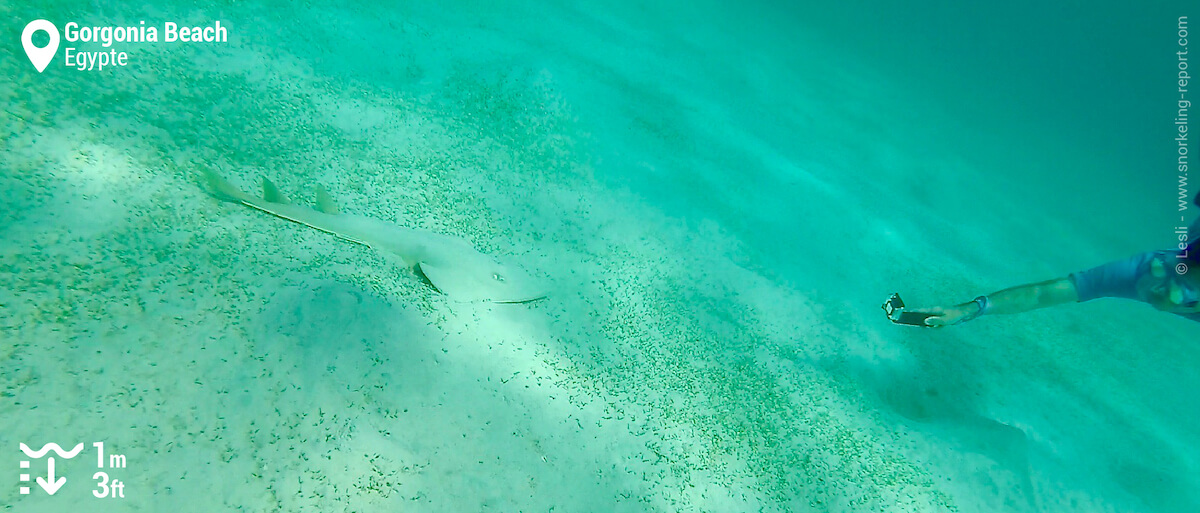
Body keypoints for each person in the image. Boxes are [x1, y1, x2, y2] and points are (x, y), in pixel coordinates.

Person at [915, 245, 1200, 326]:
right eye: (1176, 267)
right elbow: (1041, 294)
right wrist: (969, 310)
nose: (1161, 285)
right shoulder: (1144, 269)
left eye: (1182, 286)